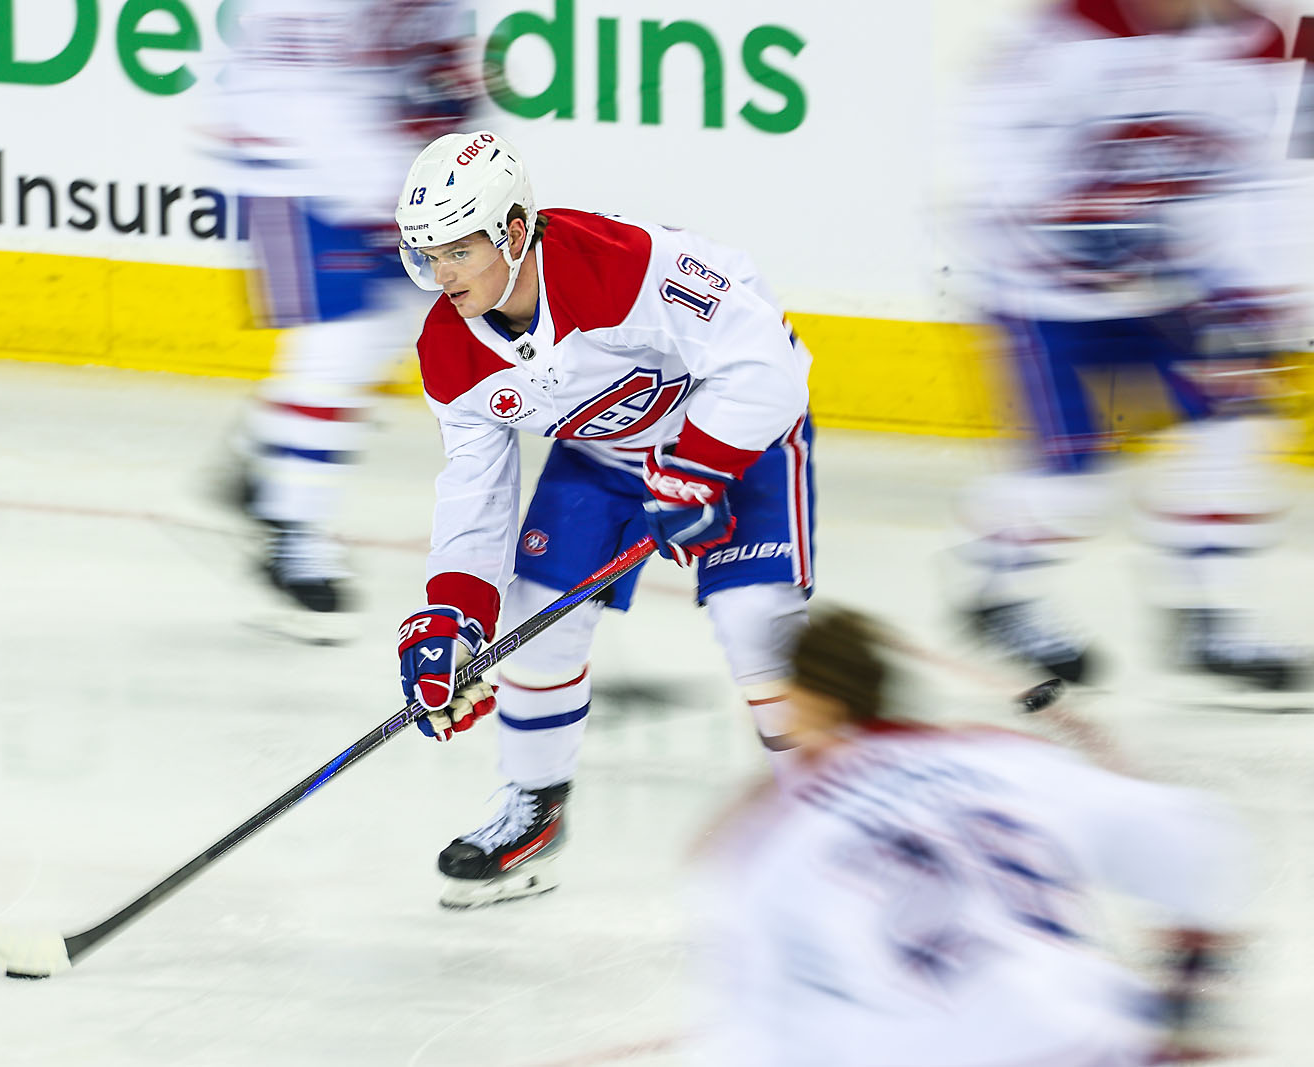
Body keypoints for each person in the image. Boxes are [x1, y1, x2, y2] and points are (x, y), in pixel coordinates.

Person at [391, 130, 815, 908]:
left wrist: (698, 467)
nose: (441, 274)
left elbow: (768, 362)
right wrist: (454, 614)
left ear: (513, 231)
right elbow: (475, 489)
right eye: (427, 254)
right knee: (535, 616)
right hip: (606, 453)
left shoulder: (621, 267)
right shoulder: (450, 349)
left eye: (458, 251)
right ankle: (534, 811)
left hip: (731, 430)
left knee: (755, 622)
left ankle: (831, 824)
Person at [688, 606, 1249, 1066]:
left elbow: (760, 1030)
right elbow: (1187, 830)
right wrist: (1188, 992)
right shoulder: (1004, 757)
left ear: (811, 702)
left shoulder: (769, 834)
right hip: (1093, 1041)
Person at [952, 0, 1309, 694]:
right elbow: (991, 162)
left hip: (1178, 290)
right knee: (1072, 482)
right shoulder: (1064, 35)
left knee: (1234, 434)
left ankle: (1209, 618)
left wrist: (1254, 290)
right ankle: (996, 593)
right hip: (1048, 297)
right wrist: (1068, 241)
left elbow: (1260, 178)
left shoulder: (1259, 40)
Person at [200, 0, 481, 642]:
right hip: (285, 164)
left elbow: (436, 64)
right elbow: (299, 88)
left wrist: (448, 115)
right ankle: (292, 537)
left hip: (367, 156)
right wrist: (386, 188)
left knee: (397, 324)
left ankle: (265, 460)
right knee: (345, 342)